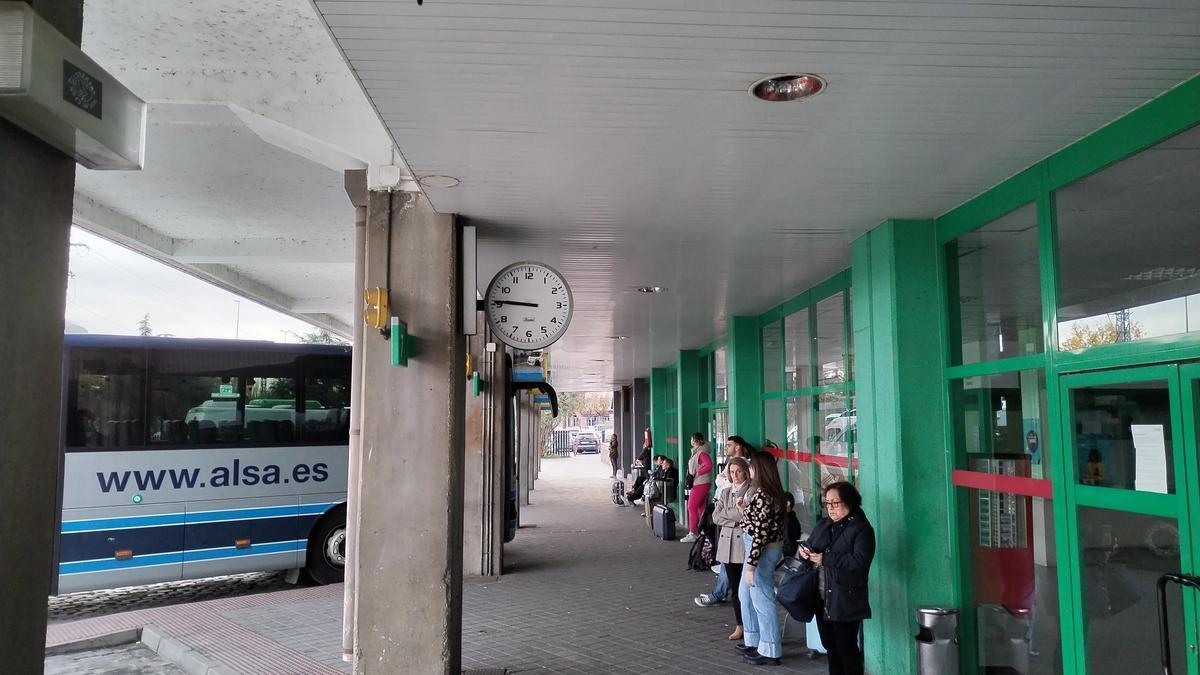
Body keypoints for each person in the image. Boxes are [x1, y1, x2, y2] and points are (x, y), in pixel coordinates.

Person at [799, 481, 876, 675]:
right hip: (822, 596)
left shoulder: (861, 528)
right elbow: (811, 544)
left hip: (845, 597)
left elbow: (860, 561)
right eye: (827, 504)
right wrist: (804, 552)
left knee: (847, 649)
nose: (831, 508)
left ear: (849, 502)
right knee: (831, 647)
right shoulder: (825, 524)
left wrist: (826, 558)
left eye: (836, 503)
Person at [735, 450, 787, 666]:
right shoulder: (767, 493)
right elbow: (758, 523)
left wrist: (750, 567)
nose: (751, 470)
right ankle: (756, 640)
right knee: (747, 595)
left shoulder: (764, 495)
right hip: (760, 549)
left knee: (762, 598)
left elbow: (760, 534)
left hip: (761, 551)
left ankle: (770, 648)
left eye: (753, 466)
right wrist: (745, 510)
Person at [709, 457, 752, 640]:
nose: (735, 475)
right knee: (735, 588)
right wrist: (735, 516)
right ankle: (740, 624)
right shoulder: (725, 492)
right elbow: (715, 517)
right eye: (731, 472)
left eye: (738, 471)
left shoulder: (752, 490)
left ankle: (751, 626)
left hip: (743, 545)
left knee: (747, 589)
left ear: (745, 471)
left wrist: (730, 515)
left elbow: (744, 515)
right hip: (727, 546)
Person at [680, 432, 714, 544]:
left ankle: (692, 533)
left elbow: (709, 465)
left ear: (696, 440)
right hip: (701, 483)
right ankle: (703, 530)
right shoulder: (698, 452)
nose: (691, 441)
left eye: (692, 439)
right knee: (700, 507)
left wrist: (698, 472)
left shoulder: (701, 452)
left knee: (691, 506)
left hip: (700, 483)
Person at [644, 456, 678, 526]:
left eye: (664, 463)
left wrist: (658, 478)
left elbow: (667, 480)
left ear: (668, 465)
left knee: (652, 497)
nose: (662, 464)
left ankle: (653, 514)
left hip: (668, 492)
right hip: (664, 491)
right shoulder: (666, 470)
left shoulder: (671, 471)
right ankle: (652, 513)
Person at [782, 493, 803, 558]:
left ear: (788, 503)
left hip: (786, 557)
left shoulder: (787, 522)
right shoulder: (793, 518)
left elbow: (789, 548)